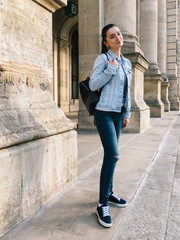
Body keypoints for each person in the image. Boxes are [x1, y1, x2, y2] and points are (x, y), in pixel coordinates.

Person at [89, 24, 132, 228]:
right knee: (113, 155)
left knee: (110, 158)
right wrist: (110, 70)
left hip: (118, 115)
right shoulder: (103, 59)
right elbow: (93, 85)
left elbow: (127, 90)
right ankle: (102, 204)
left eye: (118, 34)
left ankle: (110, 192)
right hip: (104, 113)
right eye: (111, 36)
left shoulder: (127, 63)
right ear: (106, 42)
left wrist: (127, 113)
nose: (117, 37)